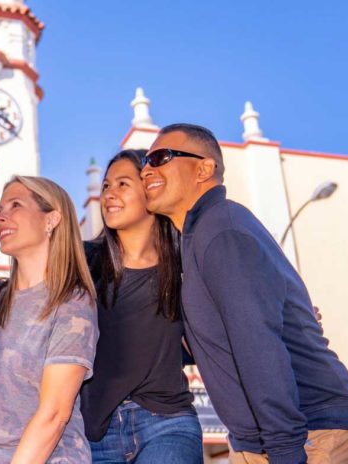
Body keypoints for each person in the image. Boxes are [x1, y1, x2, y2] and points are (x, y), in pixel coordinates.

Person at [140, 124, 348, 464]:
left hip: (310, 434)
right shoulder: (195, 238)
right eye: (145, 162)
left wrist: (285, 452)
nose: (147, 169)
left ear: (204, 168)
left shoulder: (222, 230)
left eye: (160, 158)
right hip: (267, 440)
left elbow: (258, 346)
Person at [81, 150, 203, 463]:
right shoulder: (82, 262)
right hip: (95, 432)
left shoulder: (185, 264)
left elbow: (225, 317)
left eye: (122, 184)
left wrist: (283, 320)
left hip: (167, 422)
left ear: (149, 190)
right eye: (106, 186)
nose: (109, 194)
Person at [0, 175, 99, 463]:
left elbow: (54, 414)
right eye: (0, 210)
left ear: (51, 220)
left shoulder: (71, 301)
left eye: (15, 205)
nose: (0, 217)